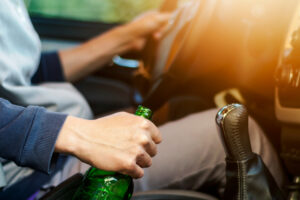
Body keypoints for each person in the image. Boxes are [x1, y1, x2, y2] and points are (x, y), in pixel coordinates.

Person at [0, 0, 286, 199]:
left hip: (46, 159)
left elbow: (22, 72)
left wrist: (126, 37)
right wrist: (73, 134)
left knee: (181, 109)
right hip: (29, 181)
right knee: (243, 137)